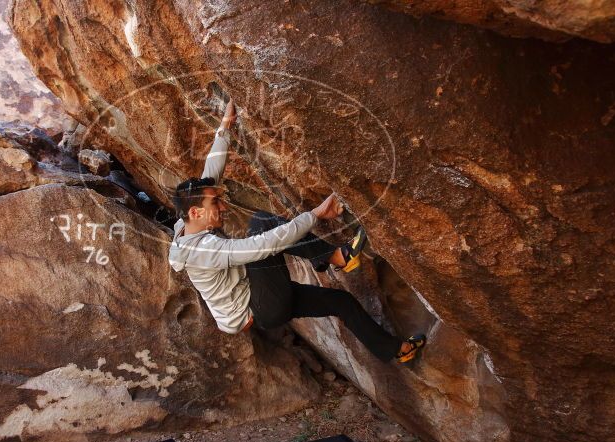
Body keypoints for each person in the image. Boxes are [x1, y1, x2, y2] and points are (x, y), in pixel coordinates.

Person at [167, 100, 425, 364]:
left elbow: (211, 175)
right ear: (196, 213)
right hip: (259, 307)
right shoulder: (201, 250)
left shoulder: (184, 225)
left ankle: (397, 350)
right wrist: (315, 215)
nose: (223, 206)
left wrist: (225, 127)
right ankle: (336, 256)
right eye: (215, 203)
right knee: (261, 223)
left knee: (340, 302)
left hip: (260, 298)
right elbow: (262, 246)